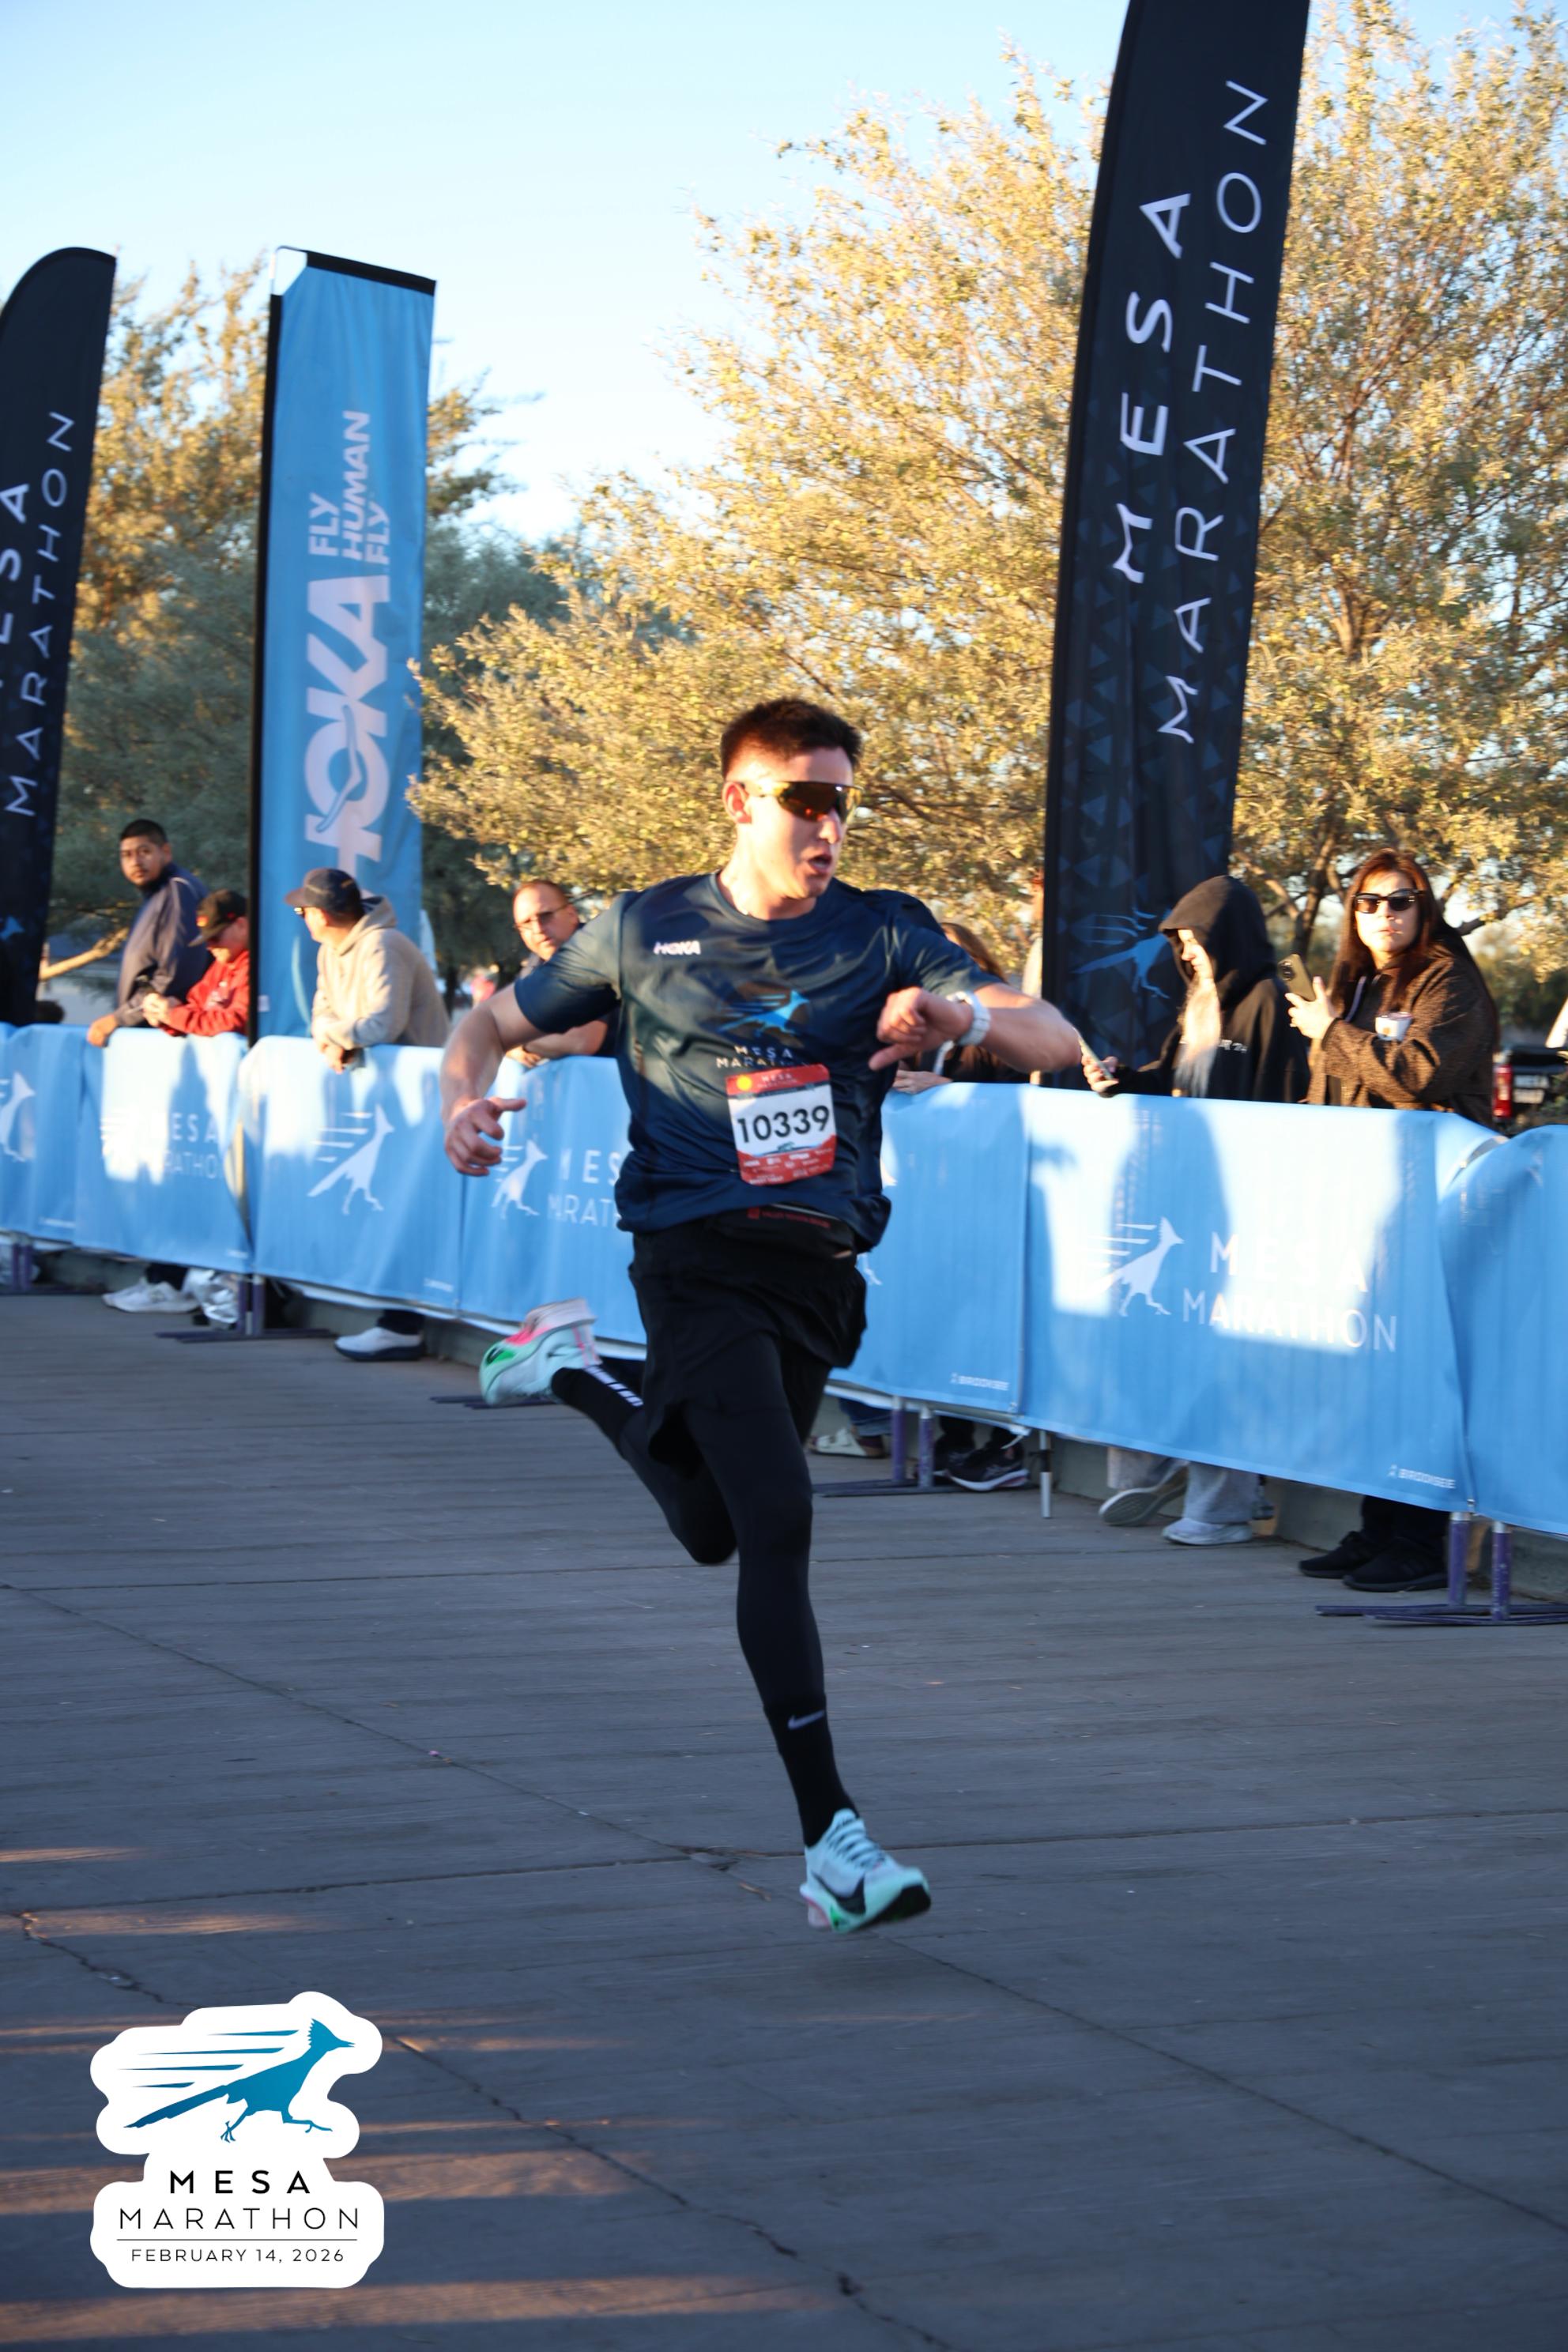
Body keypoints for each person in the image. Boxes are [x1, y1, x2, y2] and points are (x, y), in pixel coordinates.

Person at [439, 695, 1080, 1934]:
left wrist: (962, 1018)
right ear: (740, 801)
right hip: (693, 1256)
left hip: (817, 1272)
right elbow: (489, 1022)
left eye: (843, 802)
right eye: (806, 800)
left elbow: (1053, 1034)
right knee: (780, 1514)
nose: (829, 825)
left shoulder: (885, 932)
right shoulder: (645, 927)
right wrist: (460, 1100)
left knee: (711, 1527)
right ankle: (831, 1840)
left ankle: (568, 1368)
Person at [1290, 846, 1498, 1593]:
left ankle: (1422, 1543)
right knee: (1375, 1373)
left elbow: (1418, 1075)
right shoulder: (1353, 985)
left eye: (1400, 900)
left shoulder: (1450, 980)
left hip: (1432, 1201)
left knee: (1422, 1372)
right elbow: (1332, 1092)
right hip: (1365, 1201)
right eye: (1369, 902)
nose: (1384, 914)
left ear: (1424, 906)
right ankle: (1378, 1528)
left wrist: (1330, 1033)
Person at [1081, 876, 1308, 1546]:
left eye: (1195, 940)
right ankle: (1154, 1478)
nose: (1186, 954)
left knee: (1228, 1356)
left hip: (1247, 1207)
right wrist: (1124, 1081)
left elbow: (1290, 1095)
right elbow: (1175, 1077)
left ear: (1227, 936)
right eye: (1178, 943)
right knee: (1161, 1340)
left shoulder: (1273, 995)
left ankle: (1225, 1506)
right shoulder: (1198, 1005)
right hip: (1186, 1200)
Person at [286, 867, 448, 1363]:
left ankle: (403, 1325)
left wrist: (334, 1037)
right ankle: (396, 1320)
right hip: (385, 1103)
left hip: (419, 1103)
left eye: (304, 910)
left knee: (408, 1208)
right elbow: (321, 1013)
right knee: (386, 1207)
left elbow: (382, 1024)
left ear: (322, 914)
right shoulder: (328, 950)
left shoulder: (384, 945)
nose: (301, 917)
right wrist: (332, 1037)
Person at [892, 922, 1032, 1491]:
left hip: (993, 1196)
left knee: (993, 1316)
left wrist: (944, 1091)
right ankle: (953, 1435)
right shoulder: (918, 1027)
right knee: (943, 1313)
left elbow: (1020, 1100)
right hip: (936, 1197)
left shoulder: (1002, 1024)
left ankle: (1006, 1444)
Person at [85, 820, 208, 1048]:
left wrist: (119, 1018)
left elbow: (175, 974)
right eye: (127, 855)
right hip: (150, 1035)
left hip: (168, 1040)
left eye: (144, 852)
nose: (136, 862)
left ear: (166, 852)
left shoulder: (178, 891)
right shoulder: (157, 896)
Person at [504, 880, 613, 1065]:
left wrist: (515, 1042)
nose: (538, 929)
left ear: (571, 914)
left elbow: (583, 1042)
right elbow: (503, 1023)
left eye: (545, 916)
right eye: (526, 923)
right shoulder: (535, 967)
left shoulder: (596, 952)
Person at [143, 891, 250, 1036]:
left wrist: (174, 1015)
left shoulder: (259, 968)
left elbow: (237, 1022)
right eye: (206, 940)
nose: (209, 946)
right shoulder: (221, 966)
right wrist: (163, 1014)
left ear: (242, 926)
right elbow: (196, 1006)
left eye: (215, 938)